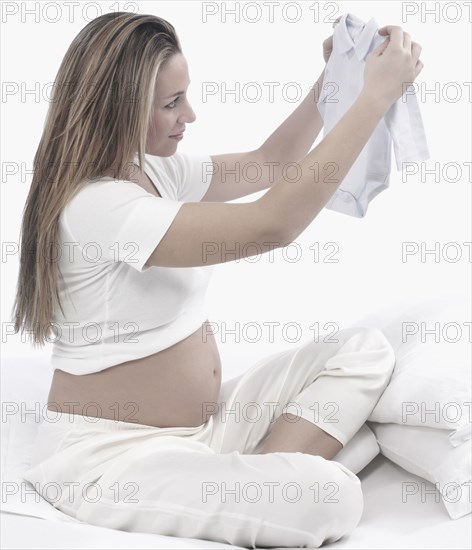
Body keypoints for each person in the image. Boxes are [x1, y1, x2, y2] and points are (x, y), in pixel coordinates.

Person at [13, 11, 423, 548]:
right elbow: (270, 225)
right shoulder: (95, 206)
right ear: (117, 110)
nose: (191, 114)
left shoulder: (154, 168)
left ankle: (248, 481)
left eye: (185, 95)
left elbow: (270, 162)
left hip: (206, 433)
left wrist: (334, 80)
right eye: (170, 104)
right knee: (332, 498)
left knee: (364, 351)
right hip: (115, 457)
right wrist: (373, 99)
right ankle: (257, 486)